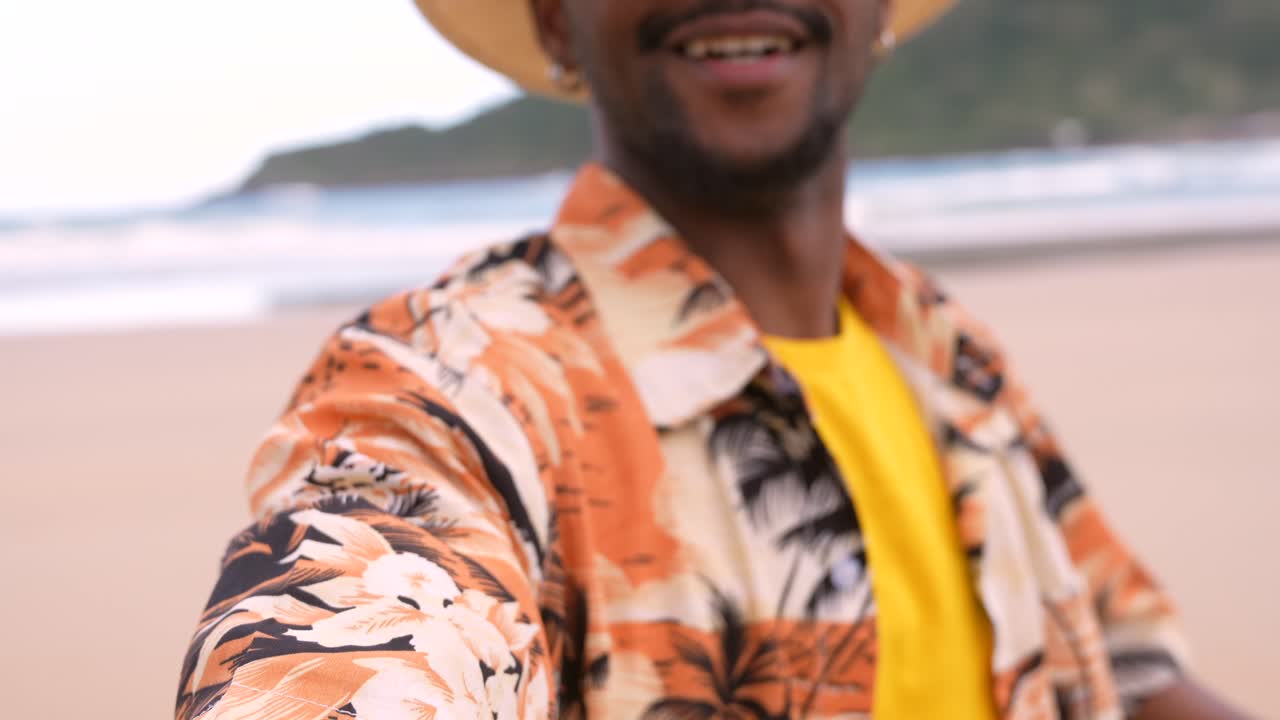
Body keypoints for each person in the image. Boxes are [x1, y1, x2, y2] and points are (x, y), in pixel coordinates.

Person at [176, 0, 1247, 718]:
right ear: (555, 14)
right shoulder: (449, 383)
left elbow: (1126, 668)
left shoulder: (942, 349)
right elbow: (352, 627)